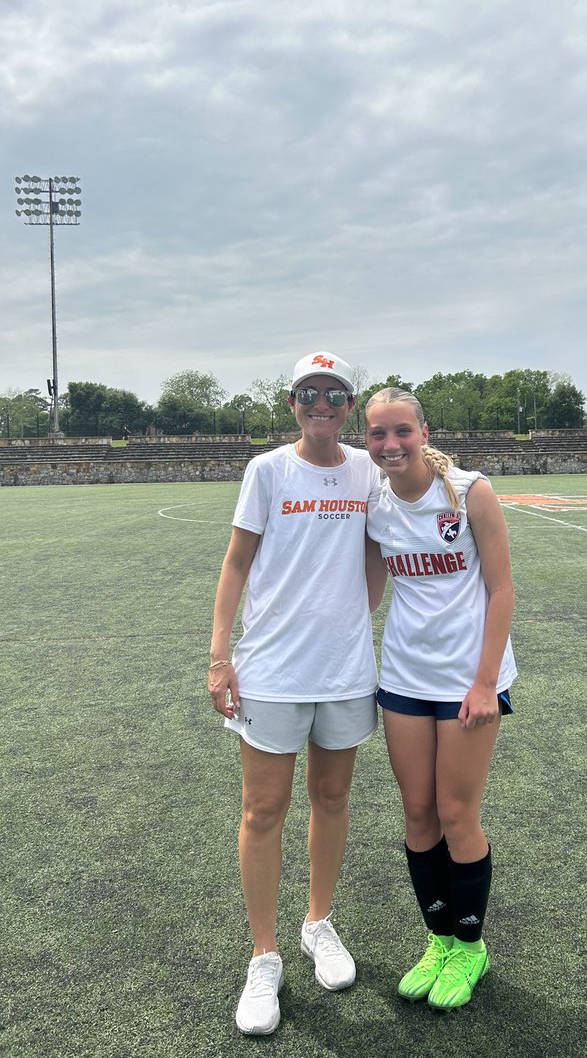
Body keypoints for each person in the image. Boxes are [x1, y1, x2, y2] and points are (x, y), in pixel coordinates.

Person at [208, 351, 382, 1036]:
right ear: (292, 403)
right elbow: (235, 562)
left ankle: (317, 924)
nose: (321, 405)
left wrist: (354, 616)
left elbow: (376, 550)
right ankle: (264, 956)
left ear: (349, 406)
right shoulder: (268, 470)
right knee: (262, 810)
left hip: (343, 669)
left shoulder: (368, 469)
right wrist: (219, 656)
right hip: (274, 671)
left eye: (334, 395)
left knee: (332, 797)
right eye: (308, 394)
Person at [363, 387, 517, 1011]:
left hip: (467, 682)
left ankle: (471, 946)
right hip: (403, 677)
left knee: (457, 815)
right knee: (418, 812)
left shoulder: (470, 490)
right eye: (377, 434)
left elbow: (502, 589)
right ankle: (438, 940)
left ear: (424, 432)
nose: (391, 444)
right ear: (367, 440)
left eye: (402, 431)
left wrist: (485, 683)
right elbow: (368, 590)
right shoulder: (372, 503)